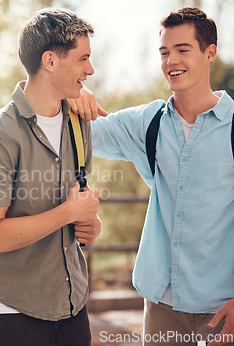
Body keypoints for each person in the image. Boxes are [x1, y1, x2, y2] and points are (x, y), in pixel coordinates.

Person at [71, 7, 234, 346]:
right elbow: (82, 131)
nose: (171, 61)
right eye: (164, 52)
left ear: (210, 53)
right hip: (161, 303)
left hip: (221, 308)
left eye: (182, 49)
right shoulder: (149, 122)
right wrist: (73, 93)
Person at [0, 8, 101, 346]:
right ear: (50, 61)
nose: (90, 69)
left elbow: (75, 210)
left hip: (72, 312)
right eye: (82, 58)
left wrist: (88, 225)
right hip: (10, 318)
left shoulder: (78, 122)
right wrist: (68, 214)